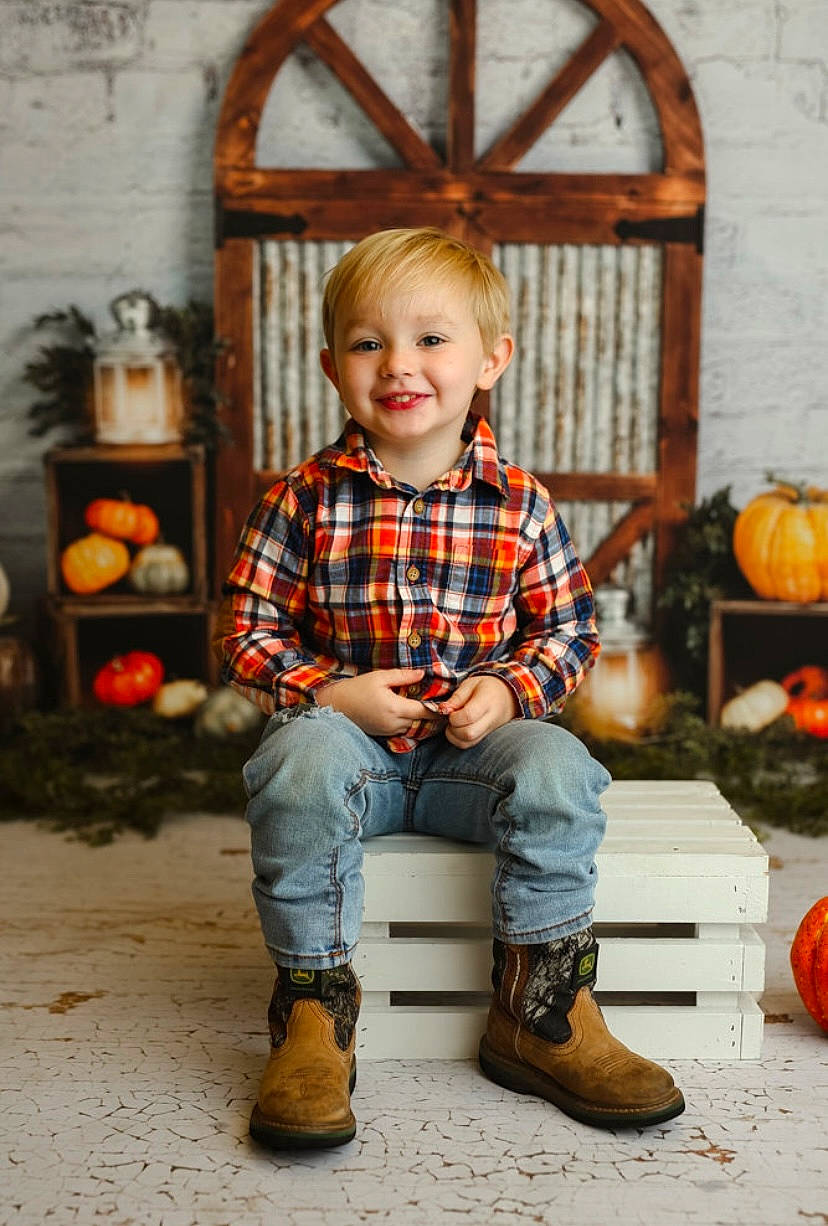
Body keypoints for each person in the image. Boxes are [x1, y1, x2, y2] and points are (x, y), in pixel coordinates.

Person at [217, 227, 685, 1149]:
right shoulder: (301, 500)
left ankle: (542, 1012)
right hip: (357, 759)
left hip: (475, 760)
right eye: (368, 342)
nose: (400, 365)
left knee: (558, 765)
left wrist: (511, 692)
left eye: (433, 340)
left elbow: (569, 630)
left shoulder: (520, 504)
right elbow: (247, 633)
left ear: (490, 360)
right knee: (298, 757)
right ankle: (314, 1017)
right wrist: (331, 693)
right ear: (330, 364)